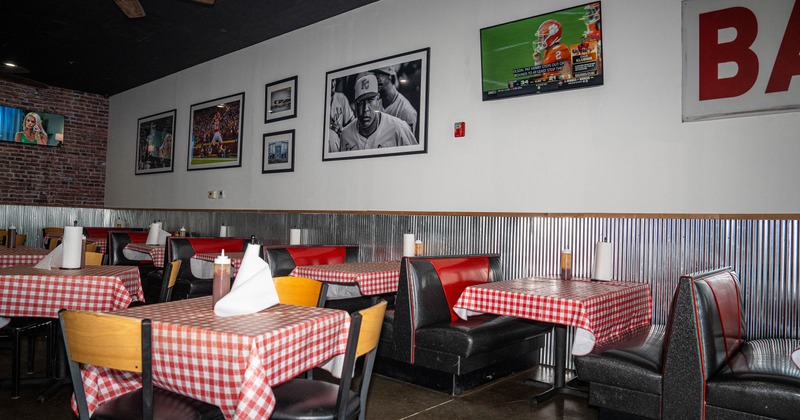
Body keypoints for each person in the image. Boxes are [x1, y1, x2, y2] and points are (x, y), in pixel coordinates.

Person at [339, 74, 416, 151]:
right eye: (361, 102)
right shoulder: (346, 134)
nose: (365, 109)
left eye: (370, 100)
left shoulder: (399, 129)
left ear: (378, 102)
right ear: (354, 106)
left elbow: (416, 160)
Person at [373, 66, 417, 135]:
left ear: (390, 77)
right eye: (375, 74)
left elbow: (406, 143)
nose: (376, 78)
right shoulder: (376, 103)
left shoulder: (406, 111)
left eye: (380, 74)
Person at [328, 78, 354, 152]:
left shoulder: (341, 98)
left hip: (341, 142)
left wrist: (341, 129)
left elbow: (352, 125)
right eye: (330, 81)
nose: (333, 84)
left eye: (334, 80)